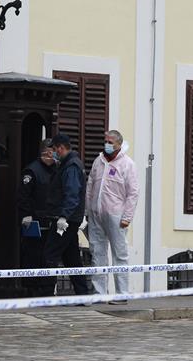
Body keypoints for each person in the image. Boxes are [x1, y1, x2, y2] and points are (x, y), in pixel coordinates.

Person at [86, 129, 139, 302]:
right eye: (106, 141)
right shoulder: (99, 161)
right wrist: (88, 211)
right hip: (96, 215)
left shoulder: (127, 164)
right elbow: (90, 186)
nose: (107, 144)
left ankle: (122, 294)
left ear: (119, 144)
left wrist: (127, 217)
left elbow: (133, 193)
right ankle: (99, 293)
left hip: (116, 216)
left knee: (120, 255)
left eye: (110, 142)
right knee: (97, 253)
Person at [39, 133, 91, 297]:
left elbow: (72, 194)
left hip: (65, 220)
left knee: (50, 254)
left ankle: (47, 294)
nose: (54, 153)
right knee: (71, 257)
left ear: (61, 148)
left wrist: (63, 216)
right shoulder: (68, 164)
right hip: (69, 218)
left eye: (54, 150)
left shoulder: (71, 167)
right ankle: (82, 293)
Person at [16, 138, 58, 297]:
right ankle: (32, 288)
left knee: (50, 257)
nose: (54, 154)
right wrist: (25, 215)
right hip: (35, 221)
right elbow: (23, 196)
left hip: (52, 221)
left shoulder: (57, 169)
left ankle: (48, 289)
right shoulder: (32, 171)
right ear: (46, 152)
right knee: (33, 256)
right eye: (52, 151)